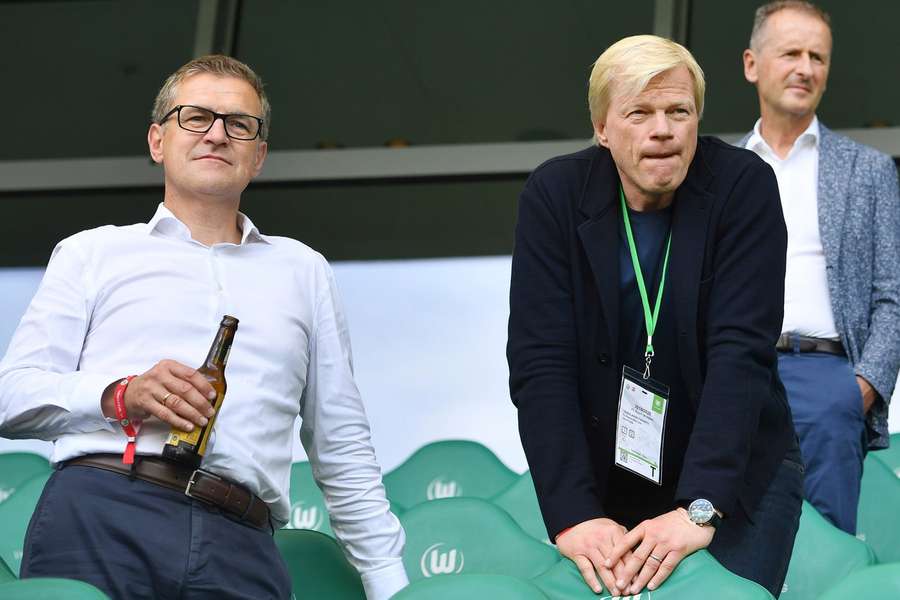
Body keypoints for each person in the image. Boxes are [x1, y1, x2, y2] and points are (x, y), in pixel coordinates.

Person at [0, 55, 408, 600]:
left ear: (257, 155)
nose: (217, 133)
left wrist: (391, 586)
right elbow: (10, 396)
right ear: (157, 141)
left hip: (240, 539)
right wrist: (122, 393)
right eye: (195, 117)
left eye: (239, 124)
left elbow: (341, 444)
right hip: (100, 514)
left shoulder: (303, 270)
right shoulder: (91, 252)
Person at [507, 35, 802, 598]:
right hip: (609, 469)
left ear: (697, 120)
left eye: (678, 112)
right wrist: (573, 515)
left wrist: (698, 508)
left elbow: (740, 356)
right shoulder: (553, 196)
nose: (661, 129)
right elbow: (539, 362)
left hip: (735, 474)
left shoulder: (744, 188)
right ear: (602, 129)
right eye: (638, 113)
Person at [740, 1, 900, 535]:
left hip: (828, 381)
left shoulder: (869, 170)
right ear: (751, 64)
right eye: (790, 53)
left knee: (827, 550)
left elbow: (893, 294)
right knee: (732, 545)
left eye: (818, 57)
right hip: (737, 379)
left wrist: (861, 387)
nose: (806, 68)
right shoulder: (719, 173)